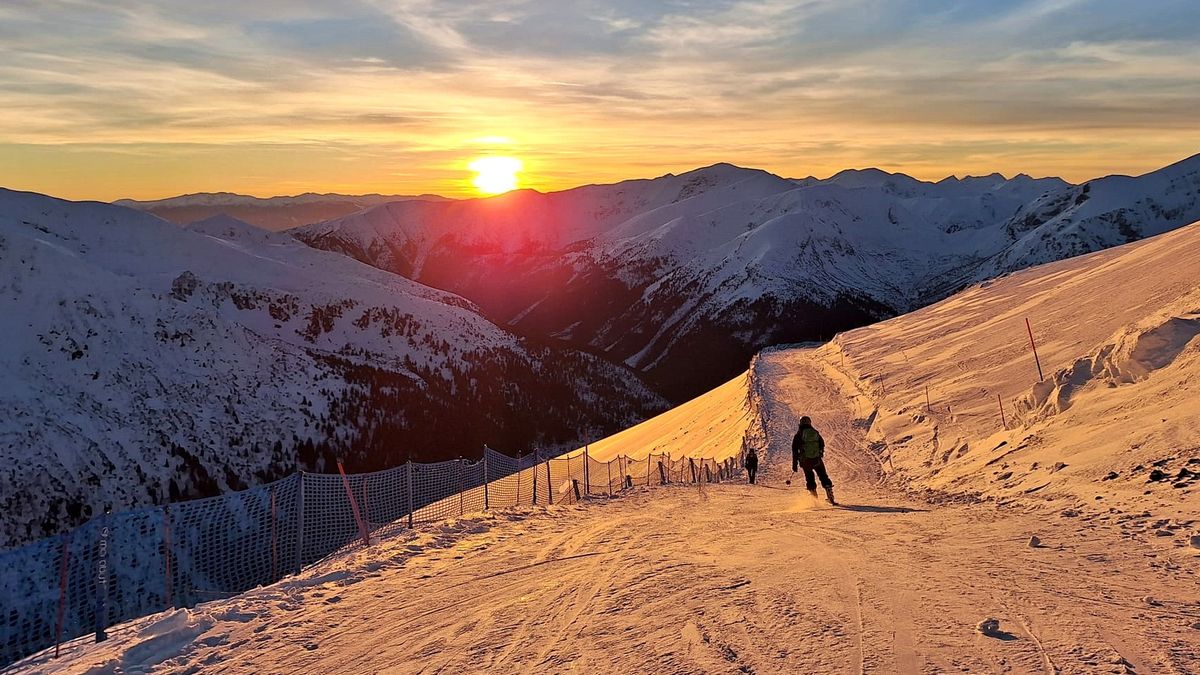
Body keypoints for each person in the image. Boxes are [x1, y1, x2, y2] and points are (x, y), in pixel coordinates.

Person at [792, 416, 835, 504]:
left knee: (810, 478)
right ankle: (829, 491)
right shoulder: (815, 432)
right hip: (817, 459)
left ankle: (814, 498)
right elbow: (822, 443)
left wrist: (795, 464)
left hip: (805, 461)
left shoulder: (798, 435)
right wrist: (820, 453)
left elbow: (794, 450)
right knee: (823, 476)